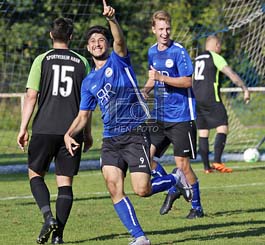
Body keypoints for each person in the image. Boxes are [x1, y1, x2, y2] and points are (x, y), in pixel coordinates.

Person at [64, 1, 192, 245]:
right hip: (111, 139)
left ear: (107, 43)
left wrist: (112, 20)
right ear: (88, 48)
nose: (97, 43)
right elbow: (83, 116)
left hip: (134, 132)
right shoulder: (89, 81)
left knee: (142, 190)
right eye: (92, 41)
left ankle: (175, 178)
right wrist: (69, 134)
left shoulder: (118, 60)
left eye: (101, 39)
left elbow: (120, 41)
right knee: (114, 188)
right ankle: (140, 237)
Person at [17, 17, 92, 244]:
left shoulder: (43, 59)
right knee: (65, 183)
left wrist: (23, 128)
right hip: (72, 131)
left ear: (51, 35)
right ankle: (58, 236)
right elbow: (86, 103)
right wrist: (87, 133)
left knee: (35, 175)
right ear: (71, 37)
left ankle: (48, 217)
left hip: (44, 127)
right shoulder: (82, 63)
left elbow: (32, 96)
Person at [142, 10, 204, 219]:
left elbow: (188, 81)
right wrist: (144, 92)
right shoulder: (152, 52)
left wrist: (161, 77)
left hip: (181, 117)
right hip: (160, 116)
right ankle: (173, 183)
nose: (165, 33)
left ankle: (196, 207)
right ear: (153, 30)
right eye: (160, 29)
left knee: (182, 164)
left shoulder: (179, 52)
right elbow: (153, 77)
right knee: (145, 156)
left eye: (167, 28)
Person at [193, 35, 250, 173]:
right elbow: (230, 74)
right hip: (211, 98)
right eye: (220, 46)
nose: (220, 49)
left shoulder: (197, 58)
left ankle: (206, 167)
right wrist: (244, 88)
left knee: (203, 132)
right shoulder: (215, 57)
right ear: (216, 45)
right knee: (222, 126)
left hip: (197, 99)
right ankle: (217, 161)